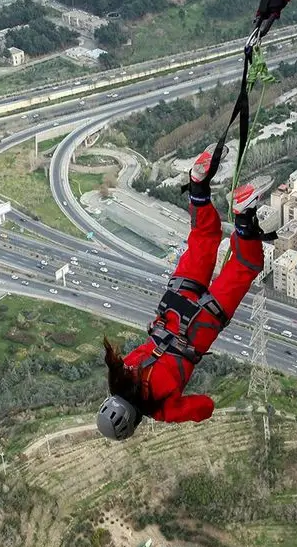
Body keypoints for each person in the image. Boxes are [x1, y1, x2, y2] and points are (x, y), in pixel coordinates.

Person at [96, 147, 277, 441]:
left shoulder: (162, 409)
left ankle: (244, 217)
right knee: (205, 237)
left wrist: (173, 405)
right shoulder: (123, 368)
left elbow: (205, 407)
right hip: (174, 303)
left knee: (246, 264)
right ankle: (198, 186)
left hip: (202, 324)